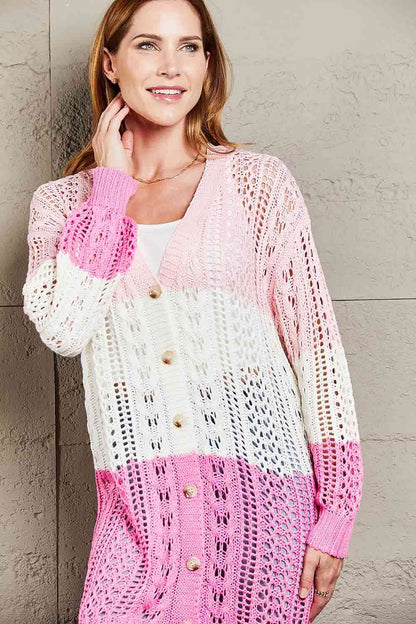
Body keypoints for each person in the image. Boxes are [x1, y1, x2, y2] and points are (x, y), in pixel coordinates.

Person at [21, 1, 364, 623]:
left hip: (263, 514)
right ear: (111, 64)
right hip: (139, 512)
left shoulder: (259, 186)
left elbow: (317, 355)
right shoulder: (63, 207)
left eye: (189, 46)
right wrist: (109, 194)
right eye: (147, 45)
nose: (171, 66)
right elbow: (64, 328)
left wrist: (335, 511)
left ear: (208, 64)